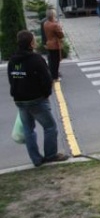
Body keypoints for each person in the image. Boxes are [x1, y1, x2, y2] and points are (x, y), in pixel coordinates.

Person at [8, 30, 69, 167]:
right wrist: (46, 94)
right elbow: (46, 79)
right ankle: (51, 155)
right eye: (34, 40)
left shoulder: (13, 60)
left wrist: (16, 94)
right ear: (31, 43)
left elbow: (12, 80)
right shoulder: (36, 59)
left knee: (28, 130)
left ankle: (36, 159)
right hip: (36, 99)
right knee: (50, 127)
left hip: (20, 100)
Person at [43, 9, 64, 81]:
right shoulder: (55, 25)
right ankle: (55, 77)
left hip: (49, 44)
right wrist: (60, 27)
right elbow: (61, 35)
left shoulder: (45, 23)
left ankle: (51, 76)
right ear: (53, 16)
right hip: (55, 45)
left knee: (51, 61)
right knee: (56, 62)